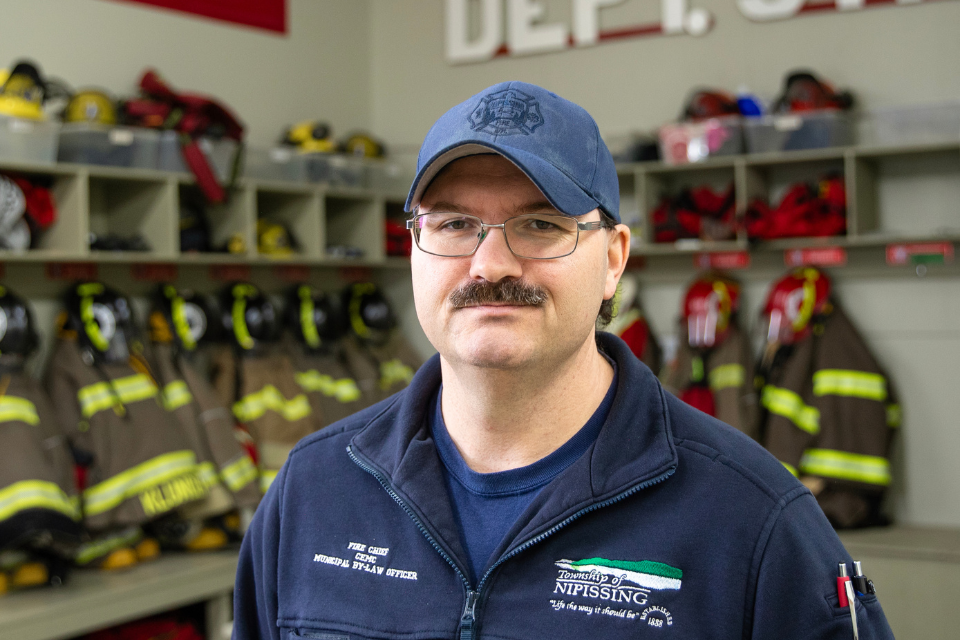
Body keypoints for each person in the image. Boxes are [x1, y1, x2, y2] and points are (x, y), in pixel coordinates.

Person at [233, 82, 893, 639]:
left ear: (612, 260)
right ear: (412, 248)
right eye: (455, 224)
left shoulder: (752, 522)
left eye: (541, 224)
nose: (490, 265)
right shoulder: (312, 492)